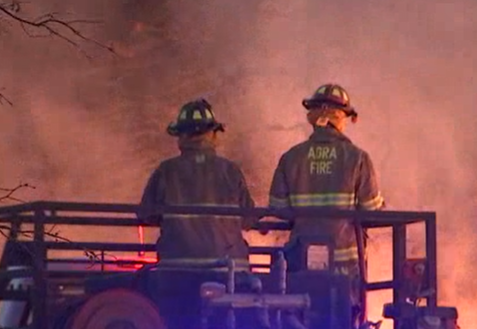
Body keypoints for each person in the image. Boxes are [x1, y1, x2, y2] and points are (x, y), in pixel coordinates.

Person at [268, 83, 385, 278]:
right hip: (345, 267)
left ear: (313, 117)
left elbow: (277, 207)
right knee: (346, 309)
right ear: (340, 118)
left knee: (297, 308)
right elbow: (372, 211)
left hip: (300, 261)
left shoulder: (291, 157)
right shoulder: (357, 158)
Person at [138, 98, 256, 269]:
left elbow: (146, 214)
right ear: (213, 134)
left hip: (176, 268)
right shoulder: (231, 171)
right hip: (229, 270)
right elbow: (248, 219)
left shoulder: (166, 171)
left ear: (181, 136)